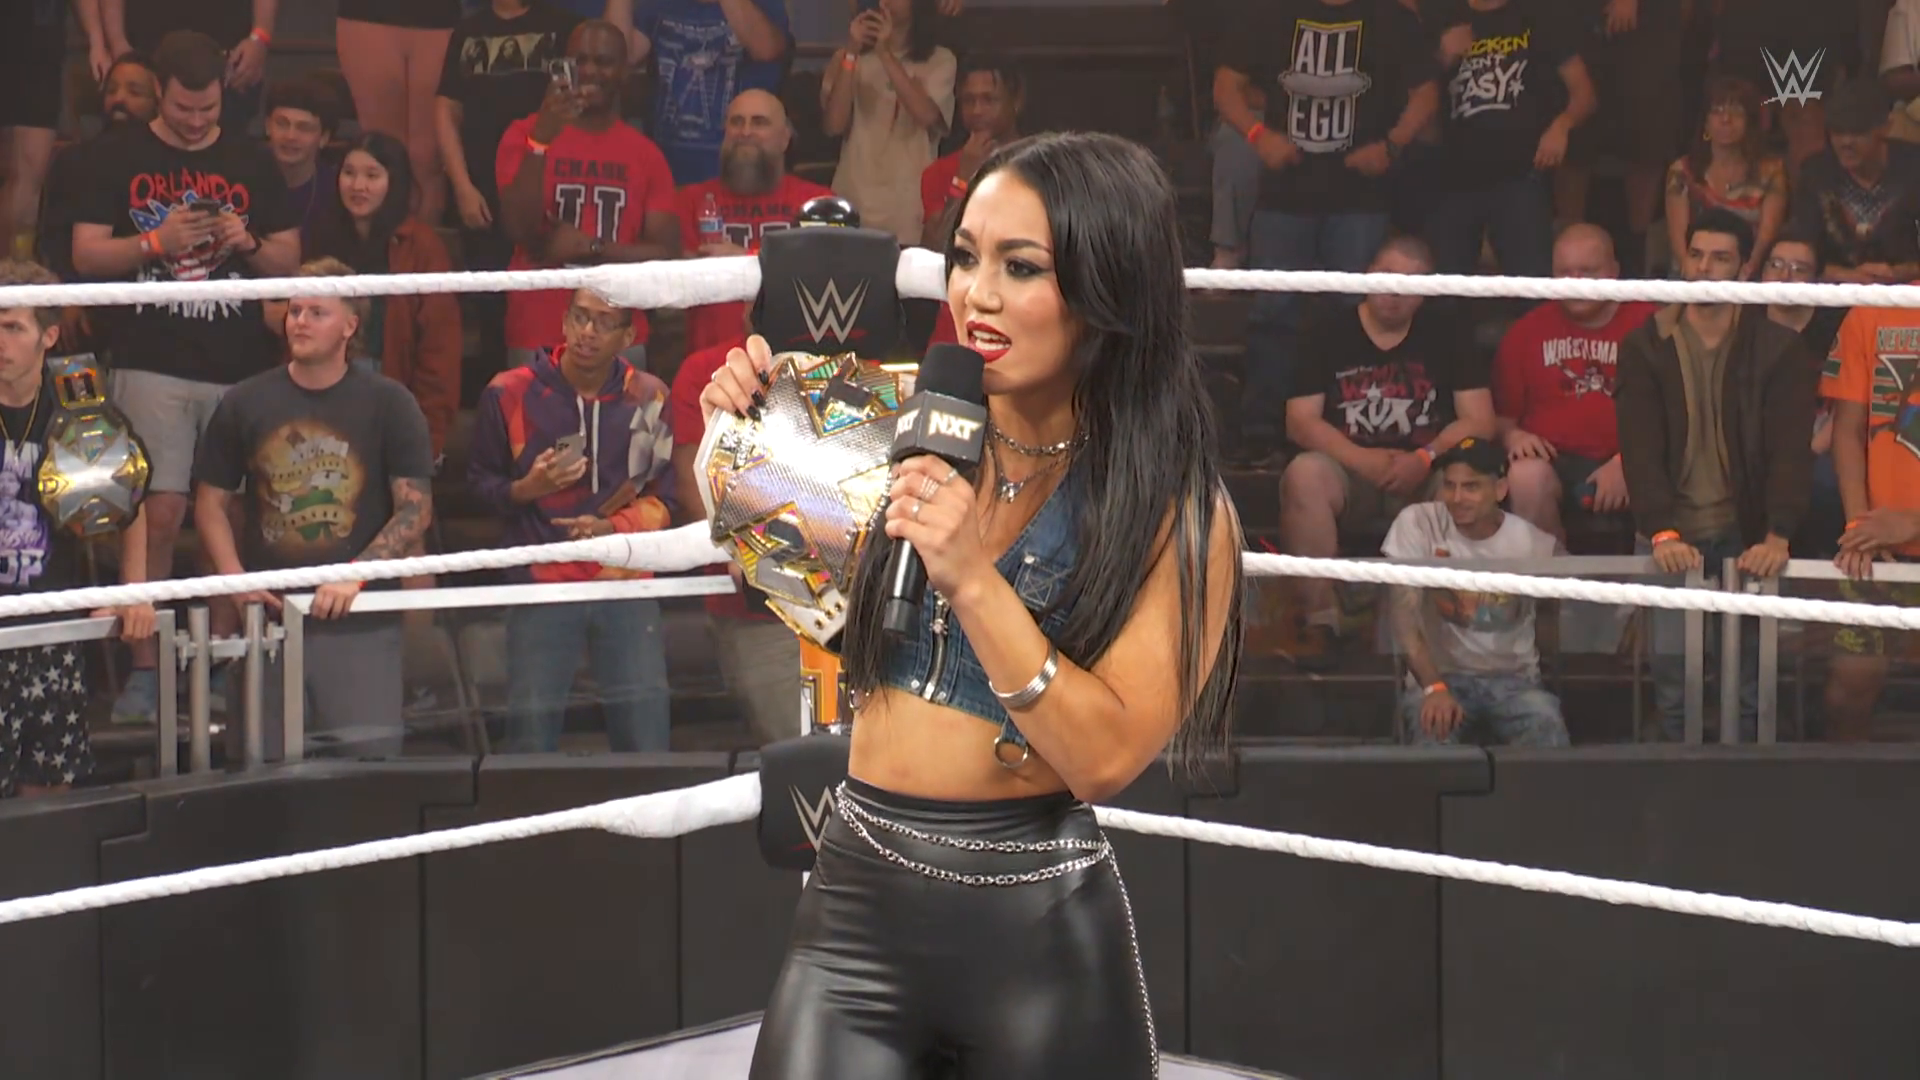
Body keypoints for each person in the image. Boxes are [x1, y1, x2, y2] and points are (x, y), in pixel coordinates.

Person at [704, 131, 1242, 1079]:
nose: (974, 295)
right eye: (964, 256)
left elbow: (1105, 759)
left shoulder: (1173, 508)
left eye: (1019, 266)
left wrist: (973, 579)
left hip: (1035, 928)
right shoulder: (900, 418)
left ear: (1109, 287)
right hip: (854, 907)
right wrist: (739, 427)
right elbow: (768, 549)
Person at [70, 29, 300, 726]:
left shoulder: (251, 159)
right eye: (182, 109)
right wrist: (155, 242)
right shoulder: (117, 154)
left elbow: (289, 260)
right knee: (158, 511)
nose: (196, 122)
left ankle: (219, 661)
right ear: (158, 94)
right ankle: (146, 669)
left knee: (229, 514)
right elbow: (84, 255)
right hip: (149, 355)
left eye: (208, 110)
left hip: (240, 366)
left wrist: (247, 242)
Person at [193, 258, 436, 760]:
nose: (299, 322)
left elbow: (415, 512)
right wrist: (236, 582)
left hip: (361, 622)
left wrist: (356, 576)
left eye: (317, 313)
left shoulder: (390, 403)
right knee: (263, 772)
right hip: (270, 620)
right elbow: (211, 503)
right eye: (294, 310)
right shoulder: (245, 401)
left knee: (367, 773)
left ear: (350, 325)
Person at [1614, 208, 1817, 741]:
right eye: (1696, 255)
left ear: (1744, 267)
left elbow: (1790, 450)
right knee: (1673, 681)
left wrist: (1778, 534)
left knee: (1750, 684)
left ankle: (1750, 786)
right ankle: (1677, 784)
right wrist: (1660, 528)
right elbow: (1639, 447)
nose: (1704, 268)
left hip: (1745, 531)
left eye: (1720, 258)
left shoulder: (1778, 348)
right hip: (1671, 530)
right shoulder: (1645, 344)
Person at [468, 287, 675, 752]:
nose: (587, 332)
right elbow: (479, 488)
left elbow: (666, 499)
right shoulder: (508, 391)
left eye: (604, 323)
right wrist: (527, 489)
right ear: (563, 322)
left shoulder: (650, 396)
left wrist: (611, 530)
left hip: (626, 583)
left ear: (628, 337)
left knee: (646, 740)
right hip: (542, 586)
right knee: (530, 740)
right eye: (580, 318)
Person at [0, 259, 156, 798]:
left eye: (12, 326)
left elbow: (129, 503)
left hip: (52, 625)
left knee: (48, 793)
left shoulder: (76, 403)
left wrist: (132, 591)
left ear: (48, 336)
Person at [496, 19, 679, 365]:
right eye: (580, 60)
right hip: (537, 330)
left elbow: (666, 256)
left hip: (619, 335)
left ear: (624, 72)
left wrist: (592, 248)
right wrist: (540, 142)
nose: (590, 70)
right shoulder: (524, 133)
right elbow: (517, 228)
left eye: (603, 61)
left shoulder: (646, 154)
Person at [1382, 437, 1569, 747]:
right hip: (1440, 678)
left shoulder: (1533, 544)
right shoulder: (1418, 523)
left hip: (1513, 682)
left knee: (1546, 723)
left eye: (1471, 487)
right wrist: (1433, 687)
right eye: (1449, 486)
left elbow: (1553, 612)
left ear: (1500, 489)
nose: (1457, 498)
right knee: (1432, 729)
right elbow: (1404, 618)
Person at [303, 132, 463, 462]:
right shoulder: (320, 235)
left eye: (372, 175)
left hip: (392, 386)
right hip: (323, 389)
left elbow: (439, 348)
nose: (358, 186)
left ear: (394, 181)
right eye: (349, 173)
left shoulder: (421, 246)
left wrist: (429, 434)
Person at [1493, 224, 1657, 541]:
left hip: (1636, 455)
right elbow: (1501, 420)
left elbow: (1677, 414)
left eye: (1588, 272)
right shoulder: (1526, 331)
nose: (1576, 283)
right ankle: (1550, 571)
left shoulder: (1651, 324)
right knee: (1525, 475)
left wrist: (1628, 462)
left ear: (1614, 272)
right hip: (1555, 460)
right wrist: (1514, 436)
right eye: (1565, 273)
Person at [821, 0, 957, 246]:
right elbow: (834, 125)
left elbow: (926, 116)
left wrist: (884, 52)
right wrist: (851, 52)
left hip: (907, 209)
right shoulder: (847, 58)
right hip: (852, 200)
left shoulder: (940, 59)